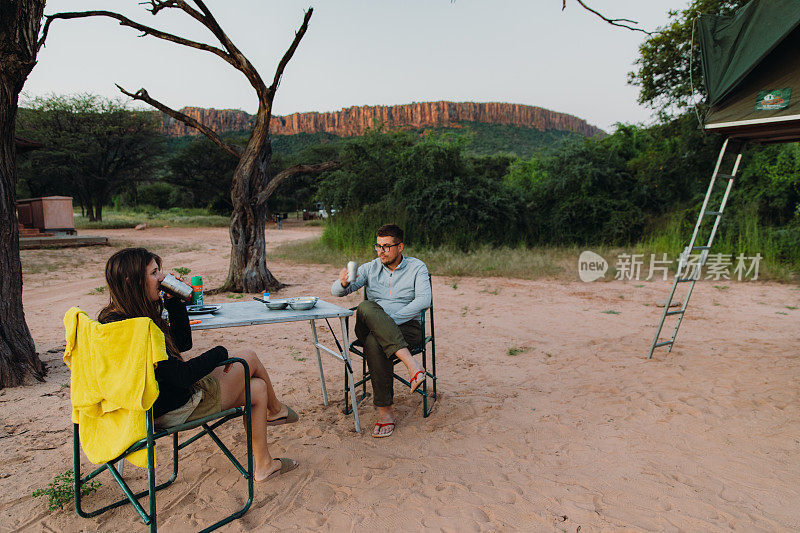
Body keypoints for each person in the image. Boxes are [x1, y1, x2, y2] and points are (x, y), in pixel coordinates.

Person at [97, 248, 298, 482]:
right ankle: (276, 411)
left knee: (257, 389)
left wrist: (174, 303)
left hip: (151, 403)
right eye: (154, 273)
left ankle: (265, 463)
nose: (162, 278)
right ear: (132, 281)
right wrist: (219, 353)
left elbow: (181, 343)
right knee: (248, 357)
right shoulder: (137, 328)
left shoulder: (111, 319)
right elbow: (182, 377)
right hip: (174, 407)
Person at [330, 224, 431, 438]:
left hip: (408, 328)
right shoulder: (370, 268)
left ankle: (385, 414)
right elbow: (339, 292)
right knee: (366, 306)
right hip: (370, 325)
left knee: (375, 343)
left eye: (386, 246)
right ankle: (412, 366)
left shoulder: (417, 267)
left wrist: (387, 323)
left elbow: (424, 300)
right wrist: (342, 282)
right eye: (378, 246)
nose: (381, 251)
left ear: (400, 246)